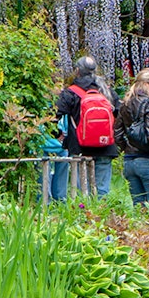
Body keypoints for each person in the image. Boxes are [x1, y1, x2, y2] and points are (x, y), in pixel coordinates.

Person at [55, 56, 120, 196]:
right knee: (102, 192)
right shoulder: (106, 91)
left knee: (81, 191)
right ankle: (102, 216)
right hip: (105, 147)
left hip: (79, 147)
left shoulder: (70, 93)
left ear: (77, 71)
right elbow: (119, 113)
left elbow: (55, 115)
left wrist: (58, 134)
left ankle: (84, 215)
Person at [116, 68, 149, 205]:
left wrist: (127, 148)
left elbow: (117, 134)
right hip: (148, 160)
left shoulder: (126, 102)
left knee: (139, 208)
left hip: (129, 162)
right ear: (146, 84)